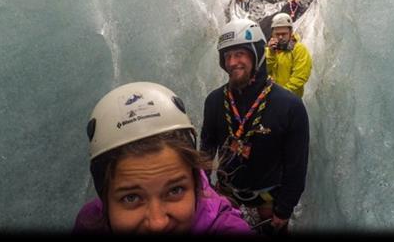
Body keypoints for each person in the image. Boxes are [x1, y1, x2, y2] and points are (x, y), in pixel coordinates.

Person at [73, 82, 252, 235]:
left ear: (195, 183)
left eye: (175, 190)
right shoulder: (89, 222)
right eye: (131, 198)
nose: (158, 223)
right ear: (105, 198)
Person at [200, 18, 310, 235]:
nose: (232, 62)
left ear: (257, 54)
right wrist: (203, 190)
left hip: (269, 197)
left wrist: (284, 209)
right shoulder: (214, 101)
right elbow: (206, 149)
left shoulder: (289, 106)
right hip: (227, 191)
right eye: (227, 56)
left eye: (239, 54)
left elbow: (296, 166)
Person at [266, 13, 312, 98]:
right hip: (271, 99)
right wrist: (271, 53)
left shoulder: (299, 50)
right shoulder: (269, 50)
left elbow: (300, 76)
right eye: (277, 34)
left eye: (284, 34)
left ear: (290, 33)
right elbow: (263, 72)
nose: (280, 37)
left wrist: (282, 94)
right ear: (272, 34)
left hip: (290, 100)